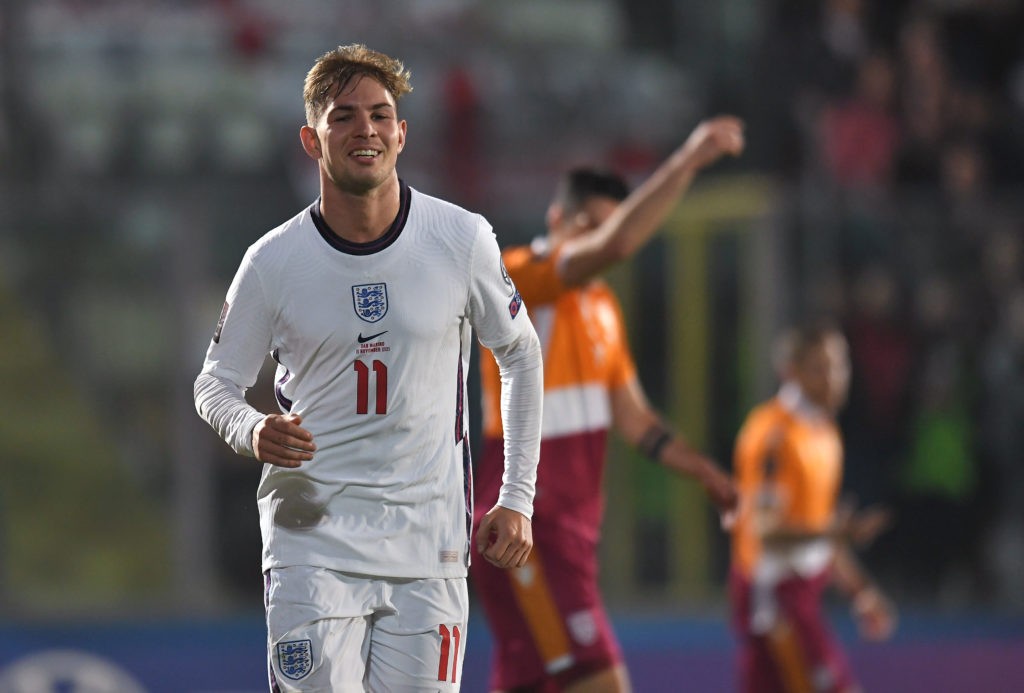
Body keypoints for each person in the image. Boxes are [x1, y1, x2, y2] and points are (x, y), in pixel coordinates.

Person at [193, 44, 544, 692]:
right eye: (344, 116)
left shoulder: (460, 239)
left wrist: (516, 497)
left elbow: (520, 350)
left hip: (430, 546)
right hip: (311, 543)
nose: (366, 131)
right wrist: (252, 429)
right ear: (311, 137)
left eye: (381, 115)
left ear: (402, 133)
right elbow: (215, 382)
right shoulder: (273, 261)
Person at [470, 116, 745, 692]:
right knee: (601, 683)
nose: (601, 242)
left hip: (569, 538)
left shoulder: (602, 310)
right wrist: (689, 159)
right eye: (587, 227)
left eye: (608, 228)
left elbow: (635, 419)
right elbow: (617, 245)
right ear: (556, 220)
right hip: (527, 530)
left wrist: (707, 474)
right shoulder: (518, 276)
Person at [729, 321, 897, 693]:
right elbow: (767, 532)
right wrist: (835, 532)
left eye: (841, 366)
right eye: (821, 368)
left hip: (802, 592)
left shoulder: (824, 432)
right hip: (776, 597)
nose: (835, 378)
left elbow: (821, 532)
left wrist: (860, 591)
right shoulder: (775, 436)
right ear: (791, 372)